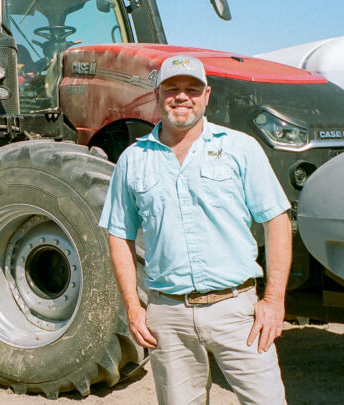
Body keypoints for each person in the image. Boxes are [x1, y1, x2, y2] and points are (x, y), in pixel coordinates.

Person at [99, 54, 293, 405]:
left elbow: (277, 220)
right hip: (168, 316)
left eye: (192, 88)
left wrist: (274, 300)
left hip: (237, 311)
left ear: (207, 95)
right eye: (172, 88)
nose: (182, 96)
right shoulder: (133, 159)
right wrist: (133, 307)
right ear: (157, 95)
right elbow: (118, 234)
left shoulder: (240, 149)